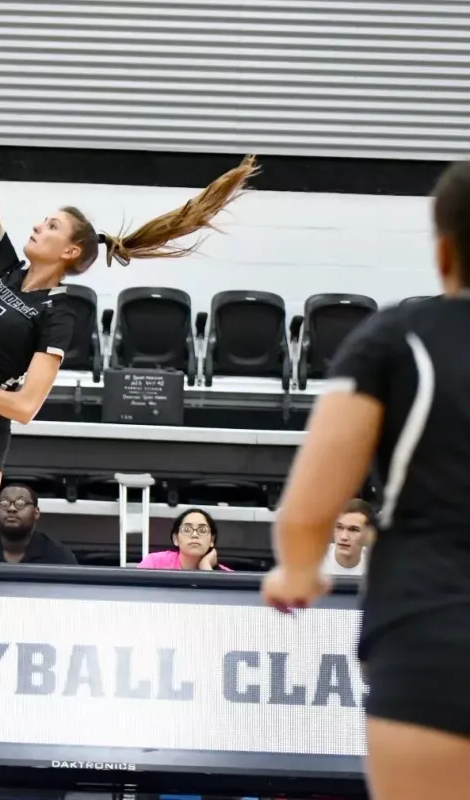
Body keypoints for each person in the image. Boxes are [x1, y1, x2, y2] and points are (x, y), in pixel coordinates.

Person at [0, 52, 256, 799]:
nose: (35, 225)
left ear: (71, 251)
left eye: (51, 224)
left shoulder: (65, 310)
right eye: (38, 219)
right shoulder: (0, 268)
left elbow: (26, 407)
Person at [261, 159, 470, 800]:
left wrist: (297, 568)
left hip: (436, 634)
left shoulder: (397, 339)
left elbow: (309, 504)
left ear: (443, 251)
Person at [0, 483, 77, 565]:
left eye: (20, 504)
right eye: (4, 504)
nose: (11, 509)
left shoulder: (57, 556)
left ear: (36, 513)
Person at [137, 508, 232, 571]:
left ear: (212, 540)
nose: (195, 534)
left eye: (202, 530)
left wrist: (206, 567)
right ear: (176, 539)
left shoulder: (228, 576)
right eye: (187, 529)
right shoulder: (154, 563)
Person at [320, 498, 374, 577]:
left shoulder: (376, 565)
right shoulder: (314, 561)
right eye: (339, 527)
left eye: (353, 530)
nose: (343, 537)